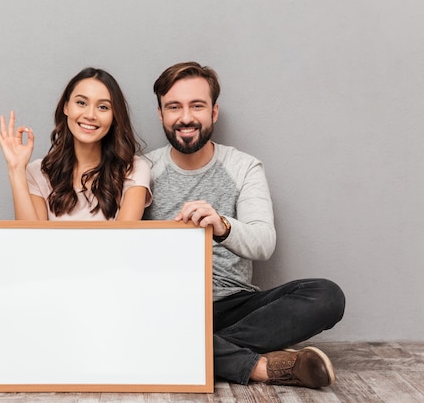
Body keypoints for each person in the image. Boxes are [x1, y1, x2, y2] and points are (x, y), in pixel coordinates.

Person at [0, 67, 151, 374]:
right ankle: (47, 348)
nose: (90, 114)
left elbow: (122, 242)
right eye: (81, 103)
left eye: (103, 106)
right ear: (66, 108)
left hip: (103, 302)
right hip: (45, 301)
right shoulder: (38, 171)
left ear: (114, 117)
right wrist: (16, 170)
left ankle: (14, 349)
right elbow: (28, 243)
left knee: (119, 319)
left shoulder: (134, 168)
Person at [143, 61, 345, 389]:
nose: (185, 117)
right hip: (170, 305)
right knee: (132, 316)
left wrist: (221, 225)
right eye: (173, 107)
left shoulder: (243, 166)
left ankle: (192, 347)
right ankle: (263, 366)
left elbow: (264, 242)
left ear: (214, 112)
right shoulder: (143, 170)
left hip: (236, 305)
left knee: (327, 295)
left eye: (197, 105)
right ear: (160, 113)